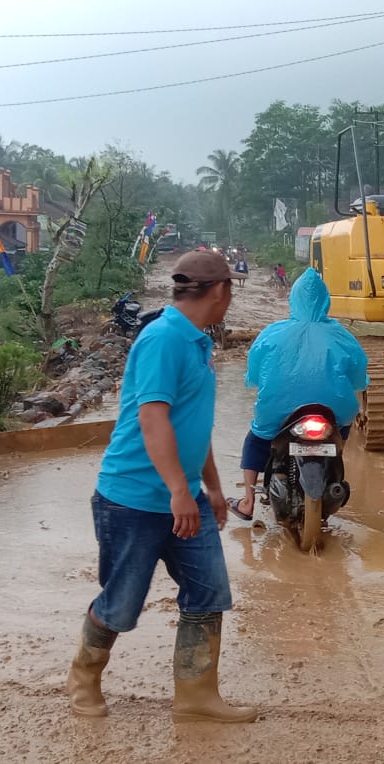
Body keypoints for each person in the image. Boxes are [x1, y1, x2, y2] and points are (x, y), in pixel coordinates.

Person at [66, 250, 256, 724]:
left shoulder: (197, 343)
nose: (231, 296)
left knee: (208, 593)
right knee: (122, 603)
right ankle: (83, 677)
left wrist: (210, 488)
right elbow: (152, 419)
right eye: (231, 288)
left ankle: (196, 696)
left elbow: (192, 425)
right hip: (132, 499)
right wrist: (177, 490)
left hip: (183, 495)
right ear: (220, 291)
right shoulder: (163, 339)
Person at [227, 268, 369, 520]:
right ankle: (333, 468)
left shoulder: (273, 332)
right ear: (325, 301)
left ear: (294, 299)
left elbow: (255, 370)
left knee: (257, 439)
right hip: (333, 410)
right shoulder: (342, 334)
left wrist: (258, 382)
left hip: (278, 408)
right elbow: (358, 375)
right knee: (342, 430)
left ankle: (248, 502)